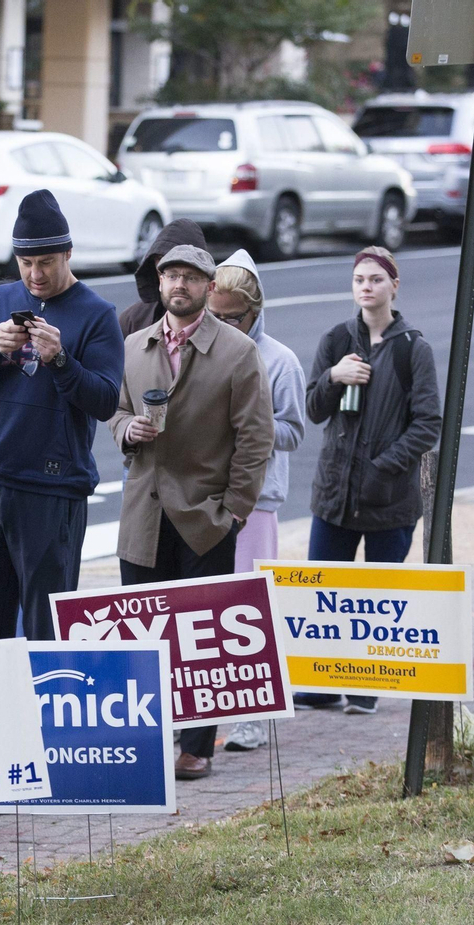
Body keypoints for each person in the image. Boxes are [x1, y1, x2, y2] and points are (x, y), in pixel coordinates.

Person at [109, 244, 273, 779]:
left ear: (207, 286)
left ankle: (196, 745)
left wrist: (235, 512)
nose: (179, 285)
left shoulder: (236, 350)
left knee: (201, 638)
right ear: (159, 285)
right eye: (170, 276)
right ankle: (148, 738)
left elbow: (256, 438)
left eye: (190, 277)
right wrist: (123, 430)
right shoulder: (134, 345)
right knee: (141, 634)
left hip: (205, 516)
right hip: (143, 515)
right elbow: (117, 408)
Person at [0, 191, 125, 641]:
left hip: (52, 489)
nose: (35, 274)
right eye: (25, 262)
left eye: (46, 261)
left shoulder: (97, 315)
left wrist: (61, 359)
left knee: (48, 634)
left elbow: (105, 401)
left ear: (68, 254)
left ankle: (45, 712)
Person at [299, 247, 442, 714]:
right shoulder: (337, 339)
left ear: (393, 286)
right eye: (360, 279)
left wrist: (384, 465)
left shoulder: (412, 348)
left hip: (389, 497)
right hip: (334, 493)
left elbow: (428, 423)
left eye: (376, 279)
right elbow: (314, 409)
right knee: (325, 593)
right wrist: (334, 377)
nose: (367, 286)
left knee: (377, 599)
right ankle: (321, 684)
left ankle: (364, 685)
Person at [205, 249, 305, 753]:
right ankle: (212, 706)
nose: (224, 326)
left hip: (257, 500)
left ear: (257, 310)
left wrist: (251, 426)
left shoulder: (279, 360)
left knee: (248, 612)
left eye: (234, 318)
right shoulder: (202, 350)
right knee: (208, 609)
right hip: (205, 498)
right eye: (214, 316)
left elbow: (293, 431)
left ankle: (253, 715)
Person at [118, 219, 210, 335]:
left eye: (191, 277)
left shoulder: (223, 314)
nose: (165, 263)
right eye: (160, 257)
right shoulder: (133, 319)